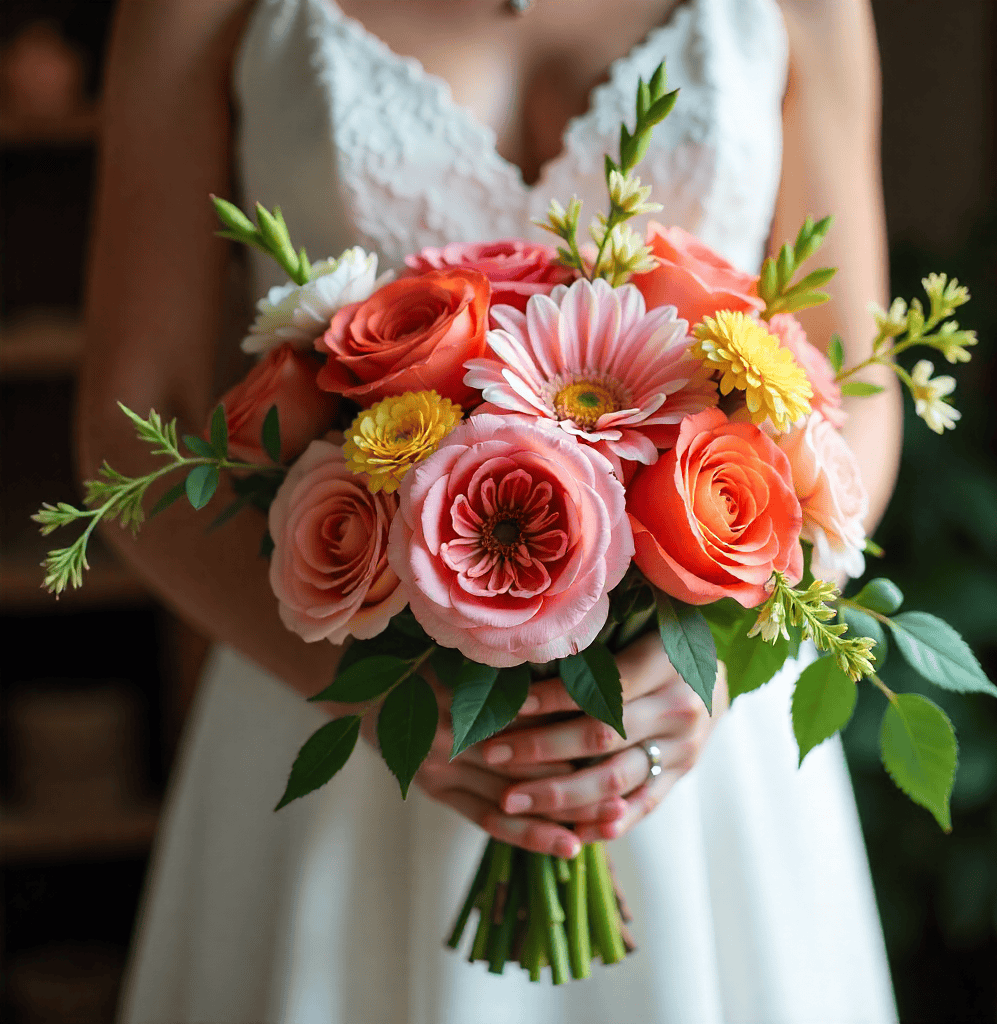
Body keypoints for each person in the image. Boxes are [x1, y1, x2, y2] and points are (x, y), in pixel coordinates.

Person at [79, 1, 902, 1020]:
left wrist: (719, 666)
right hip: (338, 715)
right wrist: (361, 692)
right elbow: (128, 425)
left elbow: (856, 394)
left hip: (688, 742)